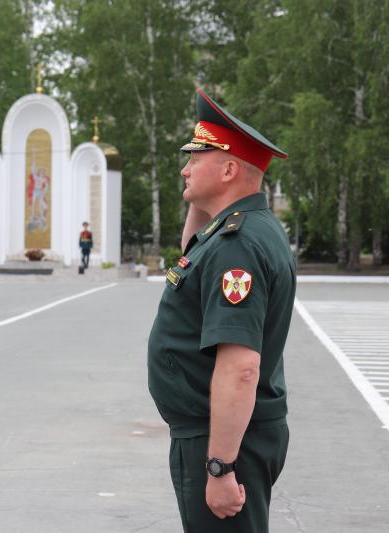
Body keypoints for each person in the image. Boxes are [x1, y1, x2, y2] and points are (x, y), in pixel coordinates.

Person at [147, 88, 295, 533]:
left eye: (195, 158)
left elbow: (241, 368)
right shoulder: (235, 230)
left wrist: (220, 467)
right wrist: (199, 196)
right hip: (222, 433)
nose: (184, 168)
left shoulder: (238, 248)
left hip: (226, 440)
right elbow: (190, 250)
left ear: (229, 169)